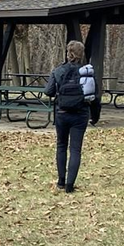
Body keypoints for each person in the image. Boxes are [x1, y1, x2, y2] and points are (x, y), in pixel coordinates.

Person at [44, 40, 90, 193]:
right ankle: (70, 185)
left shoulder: (58, 70)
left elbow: (49, 91)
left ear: (68, 53)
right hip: (80, 115)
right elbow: (94, 96)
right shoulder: (87, 72)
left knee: (61, 146)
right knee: (75, 149)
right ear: (81, 54)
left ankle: (61, 182)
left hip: (62, 114)